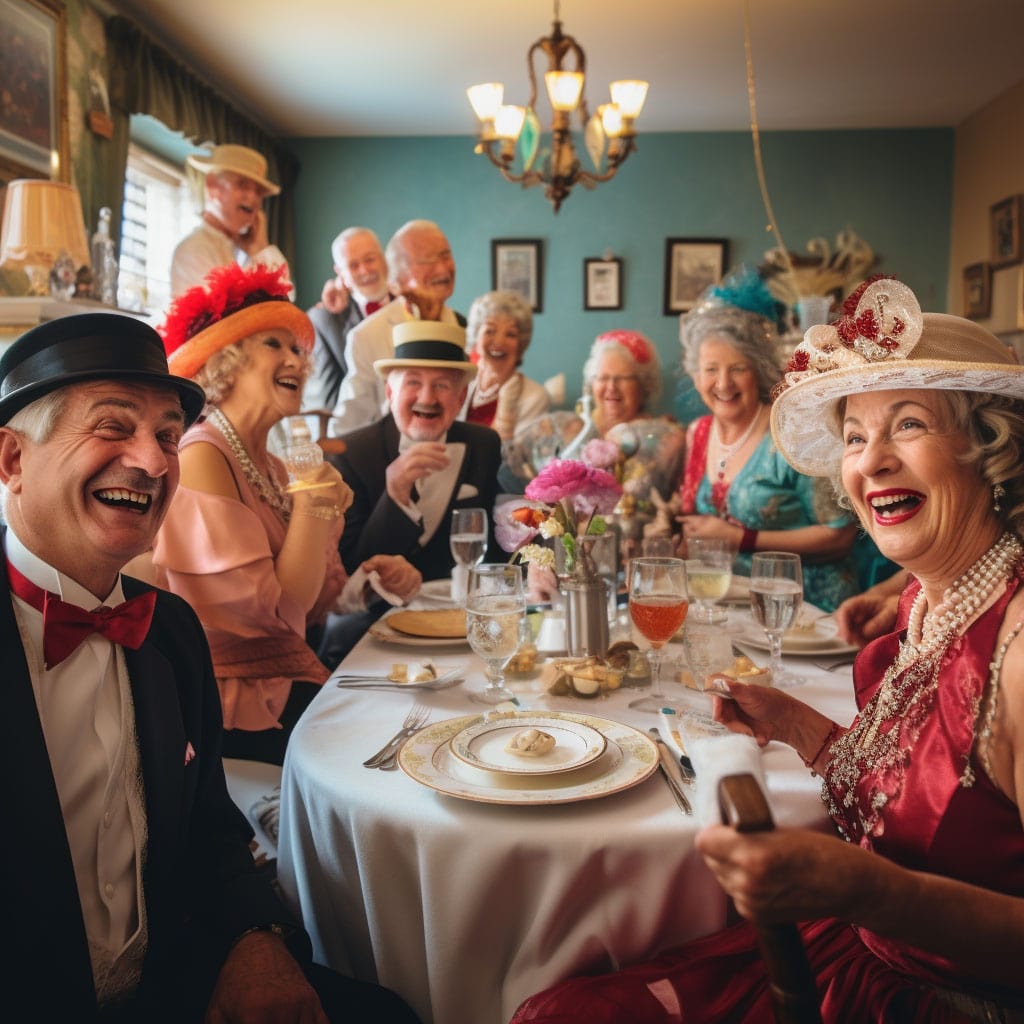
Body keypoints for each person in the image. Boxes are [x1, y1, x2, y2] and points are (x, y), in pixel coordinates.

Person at [511, 277, 1024, 1023]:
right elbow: (928, 788)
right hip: (857, 948)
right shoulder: (924, 602)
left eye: (907, 425)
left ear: (991, 450)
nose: (871, 461)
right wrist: (795, 724)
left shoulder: (1015, 644)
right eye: (854, 437)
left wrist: (862, 888)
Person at [0, 313, 419, 1022]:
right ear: (11, 460)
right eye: (112, 425)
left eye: (167, 435)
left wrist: (255, 940)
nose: (159, 461)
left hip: (173, 980)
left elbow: (208, 830)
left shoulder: (169, 632)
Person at [150, 264, 420, 766]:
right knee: (398, 750)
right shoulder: (201, 457)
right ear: (224, 362)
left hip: (290, 681)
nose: (296, 358)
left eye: (297, 349)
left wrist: (366, 581)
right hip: (233, 712)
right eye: (274, 344)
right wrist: (314, 505)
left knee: (416, 717)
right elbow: (274, 617)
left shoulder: (275, 466)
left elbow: (313, 604)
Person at [677, 293, 860, 611]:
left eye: (737, 369)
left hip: (810, 611)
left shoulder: (793, 434)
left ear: (758, 370)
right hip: (732, 607)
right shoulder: (698, 433)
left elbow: (838, 537)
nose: (723, 383)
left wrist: (741, 539)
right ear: (695, 376)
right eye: (710, 369)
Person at [328, 219, 463, 436]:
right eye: (426, 259)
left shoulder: (466, 330)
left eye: (445, 255)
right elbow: (347, 429)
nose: (442, 268)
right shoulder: (365, 337)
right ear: (398, 276)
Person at [170, 144, 293, 299]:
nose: (253, 198)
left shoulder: (246, 251)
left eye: (258, 192)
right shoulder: (194, 250)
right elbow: (227, 315)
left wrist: (260, 247)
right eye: (242, 185)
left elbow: (286, 298)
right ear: (212, 186)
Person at [304, 227, 393, 413]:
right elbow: (329, 401)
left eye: (370, 259)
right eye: (353, 265)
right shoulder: (325, 320)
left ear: (383, 258)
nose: (364, 270)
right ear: (339, 272)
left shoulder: (411, 304)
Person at [462, 289, 549, 440]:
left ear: (521, 343)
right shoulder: (460, 382)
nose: (499, 342)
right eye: (490, 331)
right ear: (476, 337)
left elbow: (519, 458)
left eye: (510, 334)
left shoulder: (535, 396)